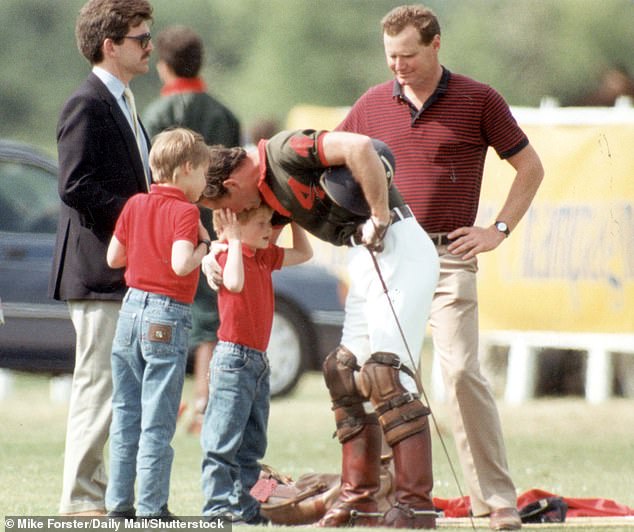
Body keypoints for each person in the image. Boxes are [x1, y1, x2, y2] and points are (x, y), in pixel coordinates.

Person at [336, 5, 545, 530]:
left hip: (451, 255)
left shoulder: (479, 99)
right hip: (389, 257)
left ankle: (496, 501)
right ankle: (385, 495)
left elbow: (530, 167)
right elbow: (331, 161)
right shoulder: (370, 105)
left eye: (408, 55)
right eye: (390, 58)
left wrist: (496, 230)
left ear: (435, 45)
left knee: (459, 373)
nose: (398, 67)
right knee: (381, 374)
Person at [199, 129, 440, 528]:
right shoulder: (263, 194)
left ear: (230, 184)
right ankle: (359, 498)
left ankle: (415, 506)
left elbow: (362, 148)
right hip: (365, 255)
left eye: (222, 205)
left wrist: (378, 215)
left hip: (397, 241)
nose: (229, 213)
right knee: (342, 372)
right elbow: (246, 246)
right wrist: (213, 255)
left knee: (387, 376)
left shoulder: (282, 152)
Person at [48, 0, 154, 516]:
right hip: (96, 270)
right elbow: (73, 185)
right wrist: (137, 217)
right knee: (99, 386)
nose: (150, 46)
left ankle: (102, 495)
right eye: (141, 38)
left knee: (115, 388)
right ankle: (80, 500)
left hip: (121, 270)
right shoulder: (87, 103)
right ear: (111, 46)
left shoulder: (124, 100)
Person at [105, 128, 211, 518]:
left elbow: (114, 258)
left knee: (126, 410)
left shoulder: (135, 204)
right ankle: (152, 507)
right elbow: (181, 263)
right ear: (185, 169)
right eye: (203, 173)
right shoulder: (186, 212)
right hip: (166, 314)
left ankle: (118, 504)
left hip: (130, 310)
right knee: (158, 417)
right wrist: (206, 245)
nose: (204, 183)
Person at [143, 25, 242, 433]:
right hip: (212, 225)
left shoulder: (151, 115)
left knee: (163, 310)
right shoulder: (225, 115)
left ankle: (164, 402)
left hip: (162, 227)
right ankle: (204, 399)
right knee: (211, 316)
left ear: (163, 67)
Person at [199, 205, 312, 524]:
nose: (268, 228)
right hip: (233, 360)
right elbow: (233, 283)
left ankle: (249, 506)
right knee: (222, 440)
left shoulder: (263, 256)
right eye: (261, 223)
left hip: (258, 362)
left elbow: (304, 253)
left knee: (252, 443)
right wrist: (232, 242)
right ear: (233, 229)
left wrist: (293, 221)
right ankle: (216, 508)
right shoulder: (226, 258)